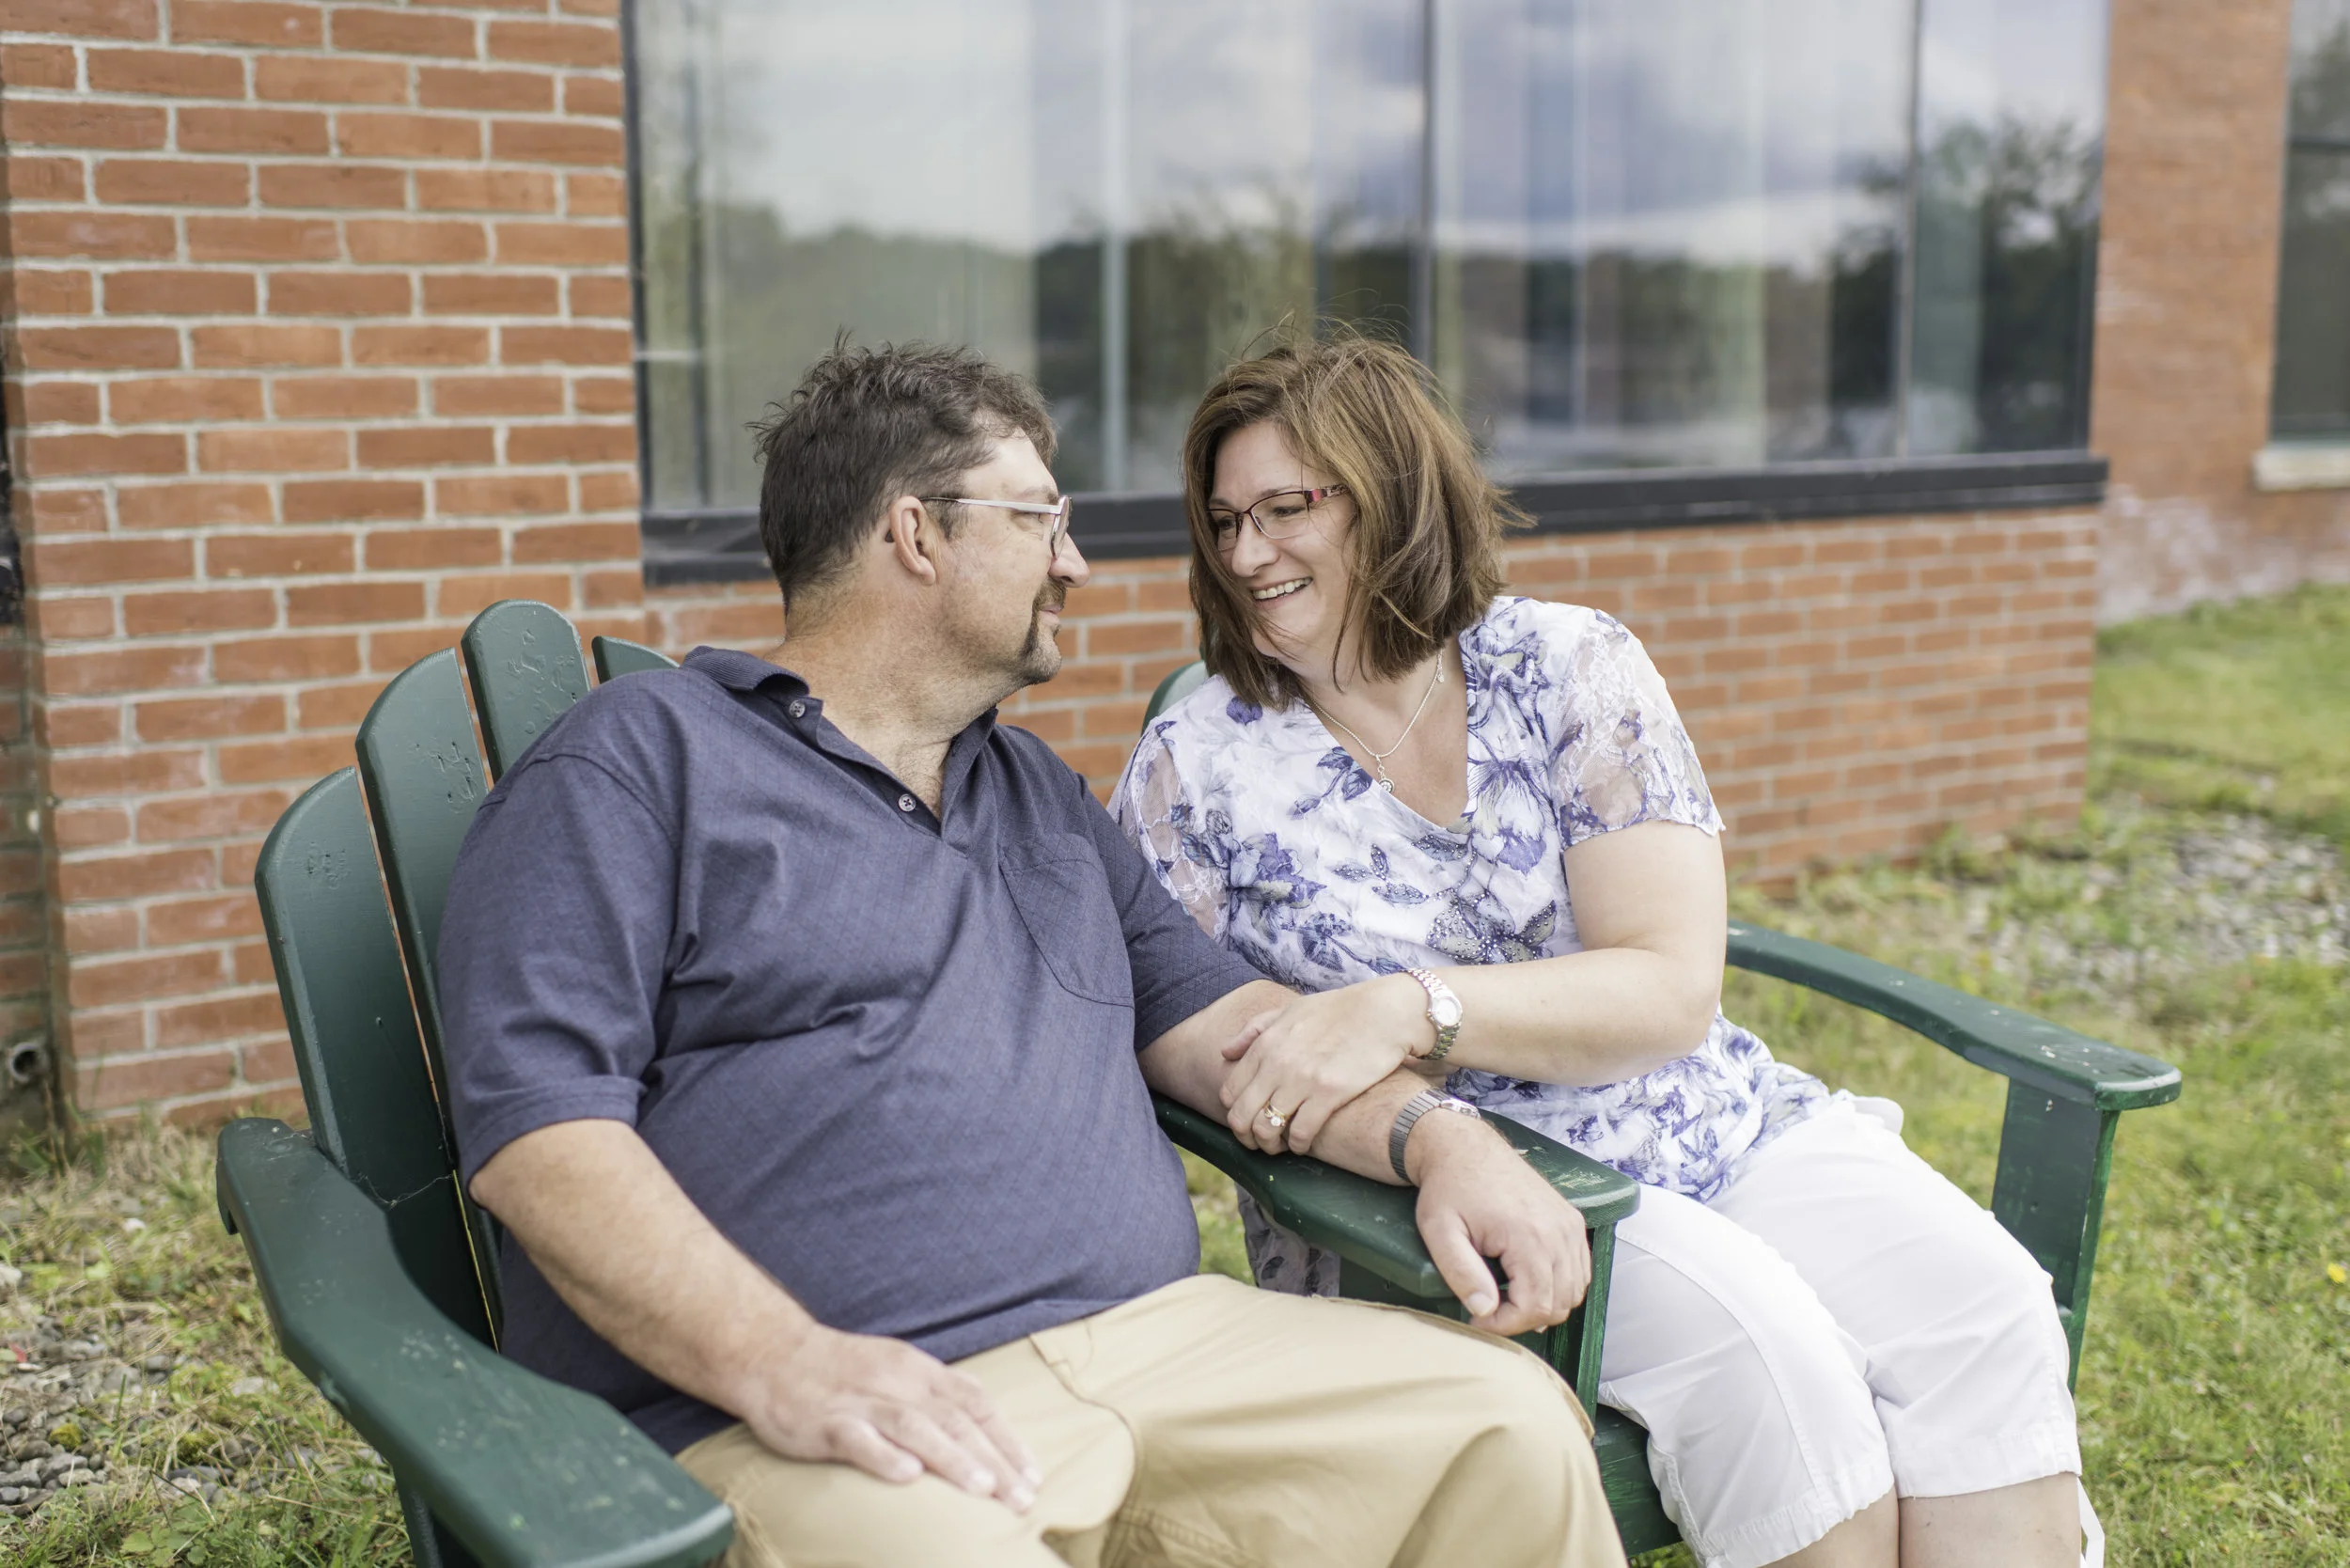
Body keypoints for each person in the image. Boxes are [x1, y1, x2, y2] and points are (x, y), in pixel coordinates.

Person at [434, 340, 1627, 1568]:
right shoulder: (637, 762)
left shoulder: (1036, 796)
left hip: (1170, 1349)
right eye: (1041, 520)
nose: (1074, 562)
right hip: (818, 1410)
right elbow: (540, 1139)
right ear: (916, 535)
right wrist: (785, 1362)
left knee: (1508, 1429)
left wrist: (1440, 1138)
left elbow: (1242, 1035)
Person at [1111, 335, 2097, 1568]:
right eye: (1224, 522)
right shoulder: (1196, 767)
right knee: (1777, 1370)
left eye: (1285, 509)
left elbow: (1670, 987)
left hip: (1708, 1123)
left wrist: (1412, 1006)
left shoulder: (1569, 667)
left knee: (1983, 1306)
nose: (1247, 554)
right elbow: (1179, 1025)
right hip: (1460, 1199)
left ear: (1393, 493)